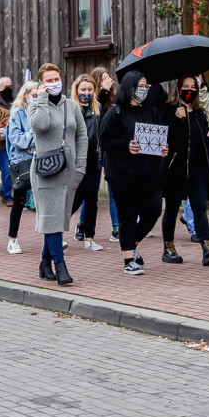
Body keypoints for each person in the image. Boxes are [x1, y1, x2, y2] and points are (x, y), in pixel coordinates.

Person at [98, 71, 169, 276]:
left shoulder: (151, 111)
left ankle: (132, 242)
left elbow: (156, 138)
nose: (144, 91)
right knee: (127, 215)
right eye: (140, 86)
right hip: (122, 174)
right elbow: (105, 141)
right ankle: (129, 259)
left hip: (148, 173)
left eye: (146, 87)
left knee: (153, 210)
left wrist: (162, 149)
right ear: (129, 88)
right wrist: (125, 146)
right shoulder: (116, 112)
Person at [28, 63, 88, 285]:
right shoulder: (34, 106)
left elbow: (82, 137)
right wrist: (41, 99)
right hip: (45, 172)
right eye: (49, 80)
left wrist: (80, 166)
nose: (54, 83)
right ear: (42, 83)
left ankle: (45, 263)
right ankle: (60, 265)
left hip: (68, 171)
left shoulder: (71, 106)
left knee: (57, 218)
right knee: (51, 217)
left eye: (56, 79)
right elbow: (41, 126)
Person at [162, 75, 209, 266]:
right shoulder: (170, 109)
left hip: (197, 169)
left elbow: (202, 139)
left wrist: (208, 135)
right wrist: (175, 119)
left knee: (200, 207)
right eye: (186, 86)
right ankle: (169, 247)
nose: (189, 90)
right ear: (179, 88)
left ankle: (207, 248)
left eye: (193, 87)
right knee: (172, 209)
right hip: (176, 168)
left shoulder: (199, 112)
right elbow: (163, 135)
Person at [81, 66, 121, 242]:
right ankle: (82, 225)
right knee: (89, 193)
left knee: (114, 190)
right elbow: (96, 116)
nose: (107, 82)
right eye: (103, 79)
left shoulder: (112, 100)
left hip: (110, 150)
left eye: (108, 78)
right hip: (94, 152)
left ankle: (117, 228)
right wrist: (102, 92)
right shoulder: (90, 101)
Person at [69, 75, 104, 251]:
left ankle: (89, 238)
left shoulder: (97, 110)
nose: (87, 93)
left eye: (90, 90)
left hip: (93, 161)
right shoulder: (70, 109)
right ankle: (57, 232)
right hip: (75, 161)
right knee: (74, 199)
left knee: (92, 200)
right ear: (76, 90)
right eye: (83, 89)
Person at [7, 81, 39, 254]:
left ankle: (52, 237)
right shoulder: (18, 113)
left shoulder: (43, 112)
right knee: (19, 201)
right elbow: (16, 139)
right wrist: (34, 135)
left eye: (39, 96)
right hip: (24, 162)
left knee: (44, 202)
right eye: (34, 95)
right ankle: (12, 239)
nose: (36, 99)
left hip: (41, 160)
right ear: (25, 95)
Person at [0, 76, 15, 206]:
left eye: (10, 86)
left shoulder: (15, 102)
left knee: (14, 170)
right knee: (6, 170)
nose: (8, 88)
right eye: (5, 86)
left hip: (15, 143)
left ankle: (3, 190)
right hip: (1, 145)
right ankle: (7, 196)